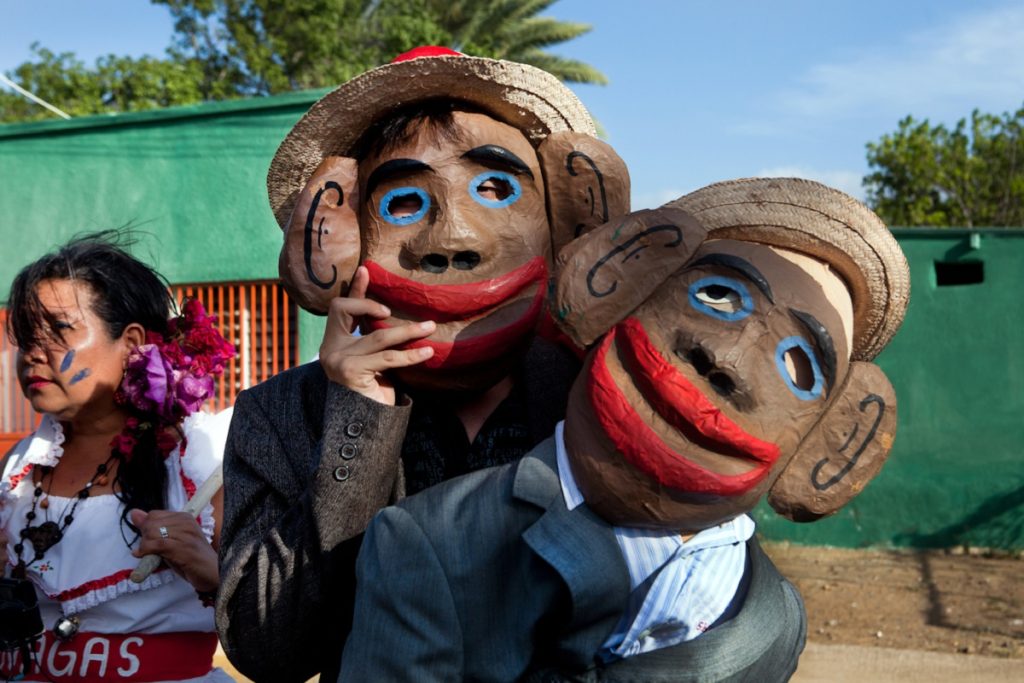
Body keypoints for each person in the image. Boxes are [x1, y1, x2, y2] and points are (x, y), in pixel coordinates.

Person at [338, 178, 910, 681]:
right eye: (716, 296)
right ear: (611, 285)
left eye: (797, 364)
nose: (726, 361)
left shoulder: (773, 613)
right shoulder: (435, 540)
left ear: (833, 453)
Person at [217, 46, 631, 681]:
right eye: (403, 202)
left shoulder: (613, 398)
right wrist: (357, 421)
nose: (452, 241)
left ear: (563, 223)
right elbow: (268, 647)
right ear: (333, 235)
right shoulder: (279, 416)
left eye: (496, 189)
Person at [0, 233, 236, 682]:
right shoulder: (15, 471)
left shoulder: (200, 462)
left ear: (130, 342)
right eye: (27, 335)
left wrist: (211, 574)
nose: (32, 353)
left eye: (58, 330)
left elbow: (279, 618)